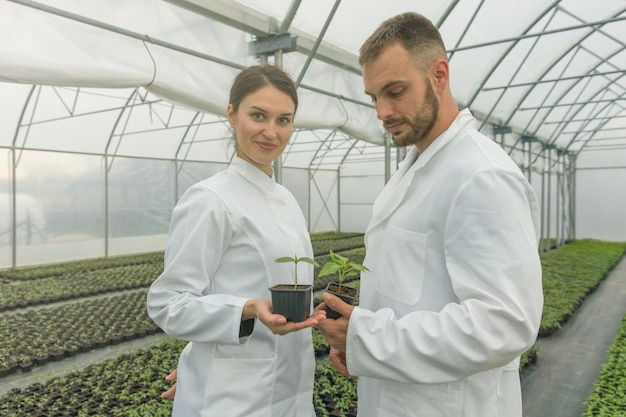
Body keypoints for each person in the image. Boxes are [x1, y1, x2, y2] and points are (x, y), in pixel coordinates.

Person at [316, 12, 543, 417]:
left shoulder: (481, 176)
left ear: (439, 75)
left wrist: (367, 338)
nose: (382, 111)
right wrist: (364, 352)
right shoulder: (416, 169)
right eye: (373, 97)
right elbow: (406, 297)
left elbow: (505, 323)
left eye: (395, 91)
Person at [147, 64, 325, 417]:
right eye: (258, 115)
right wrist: (245, 308)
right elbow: (168, 302)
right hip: (231, 398)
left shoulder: (286, 200)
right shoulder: (211, 199)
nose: (271, 132)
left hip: (292, 388)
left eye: (283, 120)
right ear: (232, 114)